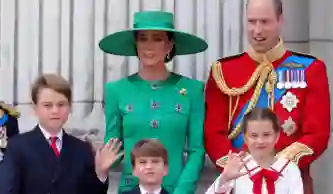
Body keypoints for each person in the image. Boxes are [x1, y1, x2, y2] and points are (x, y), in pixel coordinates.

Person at [204, 0, 330, 194]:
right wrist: (245, 169)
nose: (257, 30)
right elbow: (213, 134)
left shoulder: (310, 70)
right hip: (239, 182)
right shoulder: (224, 71)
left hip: (291, 181)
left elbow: (317, 134)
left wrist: (279, 167)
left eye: (265, 21)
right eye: (251, 22)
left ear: (280, 21)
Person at [100, 11, 208, 194]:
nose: (148, 46)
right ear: (135, 44)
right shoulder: (116, 90)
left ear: (169, 45)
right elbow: (113, 147)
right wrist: (99, 160)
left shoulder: (192, 90)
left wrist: (182, 191)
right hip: (131, 189)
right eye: (143, 38)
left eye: (157, 39)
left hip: (175, 189)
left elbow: (197, 150)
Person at [0, 74, 123, 194]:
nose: (55, 111)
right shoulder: (18, 147)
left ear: (69, 107)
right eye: (47, 105)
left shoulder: (82, 149)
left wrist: (101, 173)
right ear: (35, 108)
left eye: (61, 105)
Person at [205, 108, 303, 194]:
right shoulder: (238, 167)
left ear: (276, 136)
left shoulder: (290, 170)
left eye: (266, 135)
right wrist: (224, 179)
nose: (260, 141)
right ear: (245, 138)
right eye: (254, 136)